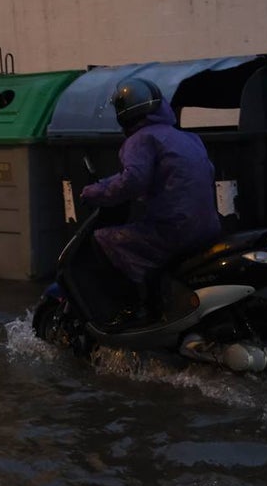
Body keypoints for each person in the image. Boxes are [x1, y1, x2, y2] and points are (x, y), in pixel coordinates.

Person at [79, 77, 222, 328]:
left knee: (104, 240)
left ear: (123, 114)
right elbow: (203, 172)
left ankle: (134, 308)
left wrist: (95, 193)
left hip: (173, 230)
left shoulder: (140, 140)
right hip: (208, 228)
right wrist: (105, 184)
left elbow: (132, 181)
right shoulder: (186, 138)